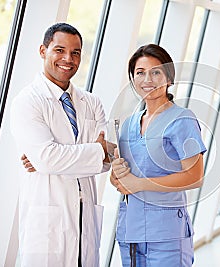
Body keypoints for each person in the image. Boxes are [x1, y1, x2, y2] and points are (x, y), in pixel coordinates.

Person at [10, 23, 115, 267]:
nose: (68, 59)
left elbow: (107, 162)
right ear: (42, 50)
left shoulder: (91, 102)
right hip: (48, 225)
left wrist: (55, 159)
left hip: (84, 217)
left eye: (75, 52)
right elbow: (48, 158)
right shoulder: (27, 102)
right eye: (59, 50)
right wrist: (98, 150)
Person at [110, 44, 207, 267]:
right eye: (140, 73)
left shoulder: (182, 120)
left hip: (166, 234)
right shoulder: (128, 124)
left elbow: (195, 176)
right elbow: (123, 179)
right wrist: (116, 177)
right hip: (131, 232)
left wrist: (139, 184)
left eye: (156, 72)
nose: (147, 79)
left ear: (169, 78)